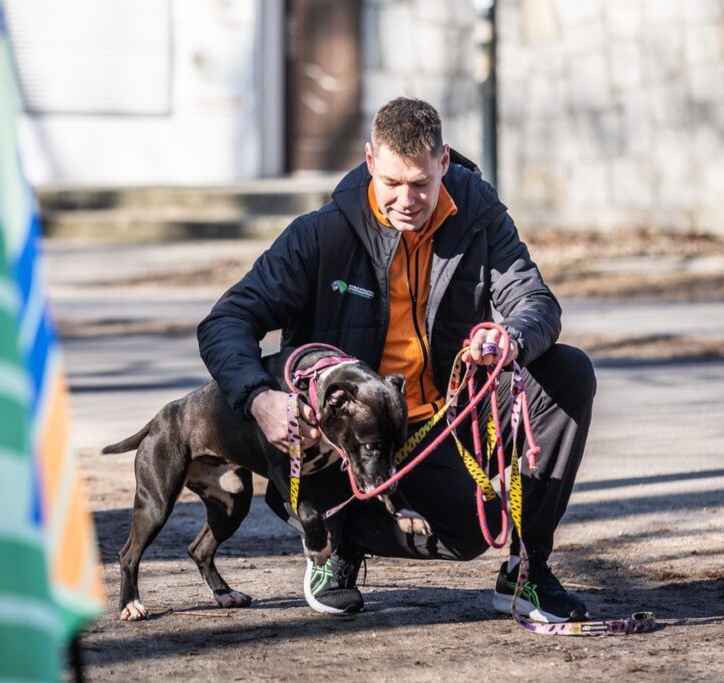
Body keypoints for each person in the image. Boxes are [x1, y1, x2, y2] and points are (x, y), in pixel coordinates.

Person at [197, 97, 595, 622]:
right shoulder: (321, 235)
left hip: (445, 421)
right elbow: (226, 321)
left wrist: (511, 339)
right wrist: (259, 399)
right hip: (346, 440)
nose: (406, 199)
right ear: (368, 161)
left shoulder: (479, 216)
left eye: (420, 184)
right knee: (398, 506)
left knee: (567, 372)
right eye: (391, 182)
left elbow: (534, 301)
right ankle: (334, 537)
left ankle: (527, 573)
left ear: (444, 162)